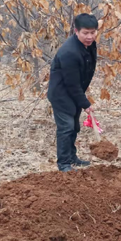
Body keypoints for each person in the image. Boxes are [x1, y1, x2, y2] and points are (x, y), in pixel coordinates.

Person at [47, 13, 98, 172]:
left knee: (74, 126)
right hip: (61, 94)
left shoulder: (89, 45)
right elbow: (71, 83)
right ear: (76, 31)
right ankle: (63, 164)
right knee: (66, 127)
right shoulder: (69, 52)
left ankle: (71, 157)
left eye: (92, 32)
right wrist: (85, 104)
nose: (89, 36)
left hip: (74, 92)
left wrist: (81, 100)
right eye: (85, 33)